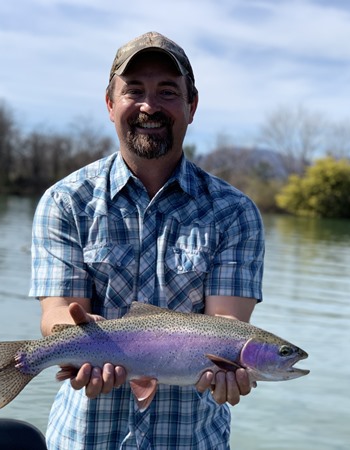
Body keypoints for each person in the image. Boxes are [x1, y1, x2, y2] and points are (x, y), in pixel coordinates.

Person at [30, 31, 265, 450]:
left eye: (168, 92)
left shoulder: (235, 212)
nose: (149, 105)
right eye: (133, 90)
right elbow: (55, 314)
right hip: (83, 439)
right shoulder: (66, 202)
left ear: (191, 107)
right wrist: (79, 336)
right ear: (110, 104)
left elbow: (228, 324)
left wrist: (233, 365)